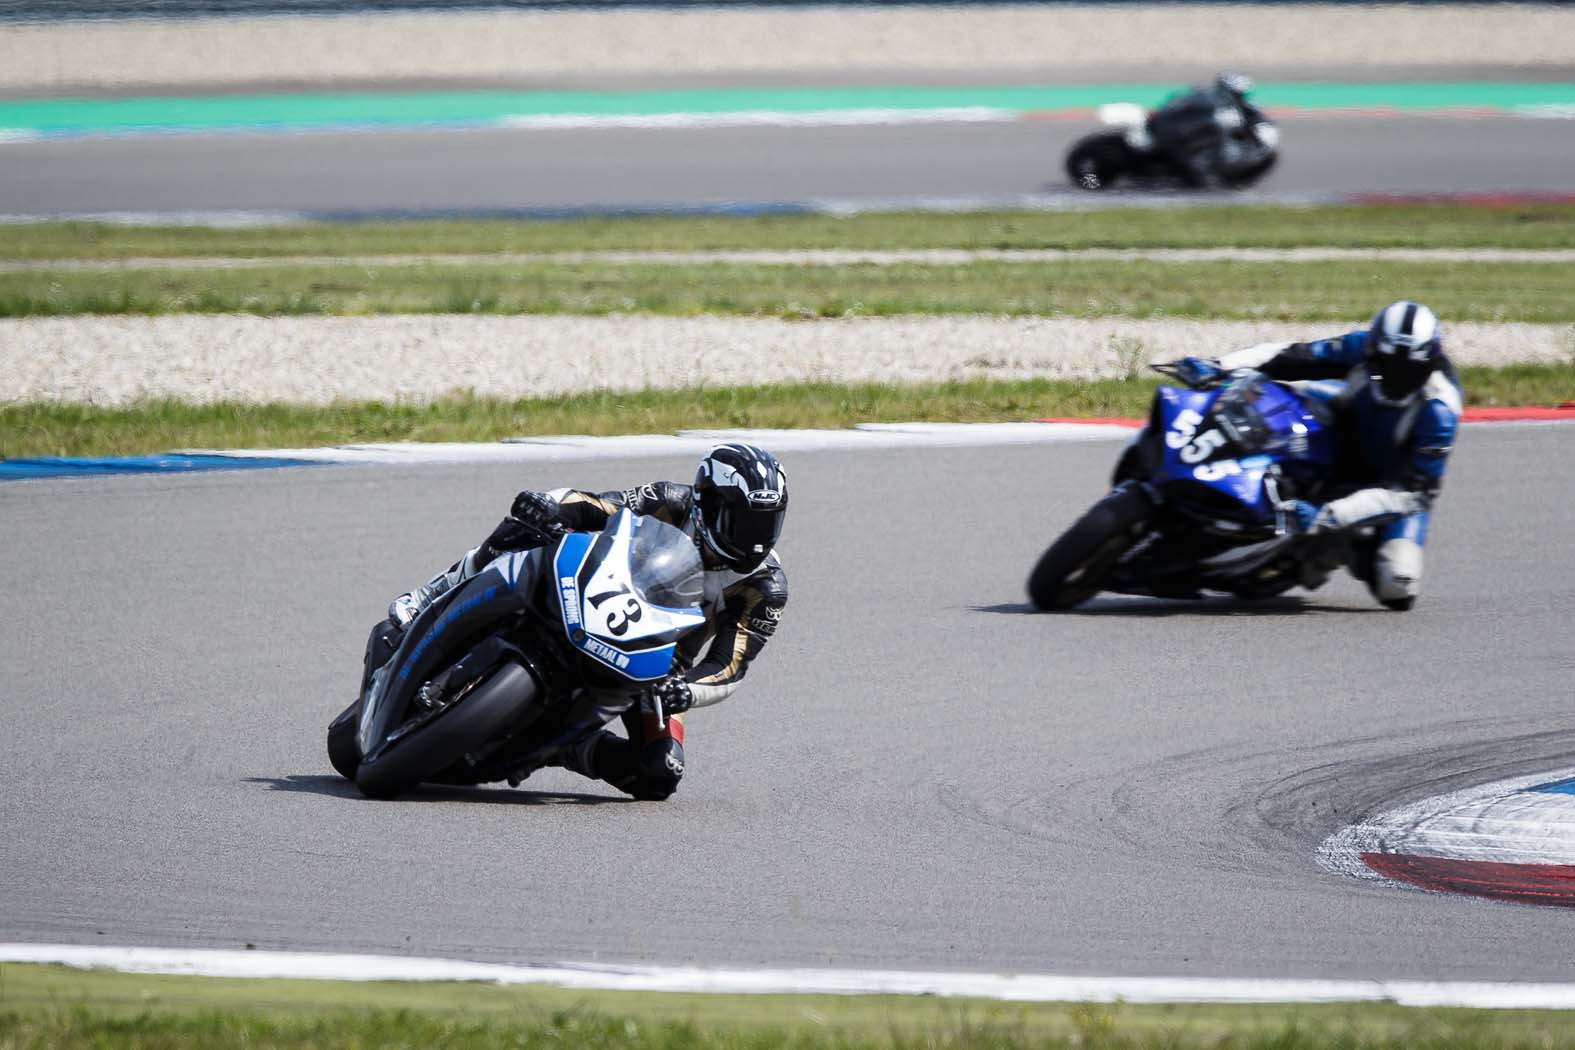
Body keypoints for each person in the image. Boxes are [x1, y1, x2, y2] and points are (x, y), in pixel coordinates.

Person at [376, 443, 790, 799]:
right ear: (709, 502)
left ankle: (569, 748)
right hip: (590, 591)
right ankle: (431, 593)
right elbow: (598, 506)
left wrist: (686, 689)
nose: (756, 537)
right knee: (523, 529)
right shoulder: (670, 501)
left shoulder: (765, 586)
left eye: (768, 522)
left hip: (655, 667)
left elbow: (730, 666)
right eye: (746, 520)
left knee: (660, 771)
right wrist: (551, 506)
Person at [1175, 301, 1461, 611]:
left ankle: (1322, 552)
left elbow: (1411, 494)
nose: (1398, 379)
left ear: (1431, 363)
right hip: (1342, 422)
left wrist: (1328, 517)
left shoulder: (1440, 411)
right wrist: (1220, 366)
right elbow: (1293, 355)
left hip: (1389, 484)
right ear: (1374, 352)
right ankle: (1204, 468)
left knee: (1396, 582)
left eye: (1411, 371)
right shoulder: (1361, 347)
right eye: (1389, 367)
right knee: (1272, 395)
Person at [1146, 72, 1277, 187]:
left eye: (1240, 95)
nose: (1238, 98)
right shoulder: (1204, 96)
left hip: (1188, 136)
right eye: (1237, 94)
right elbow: (1173, 106)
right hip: (1175, 132)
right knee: (1200, 180)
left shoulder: (1239, 109)